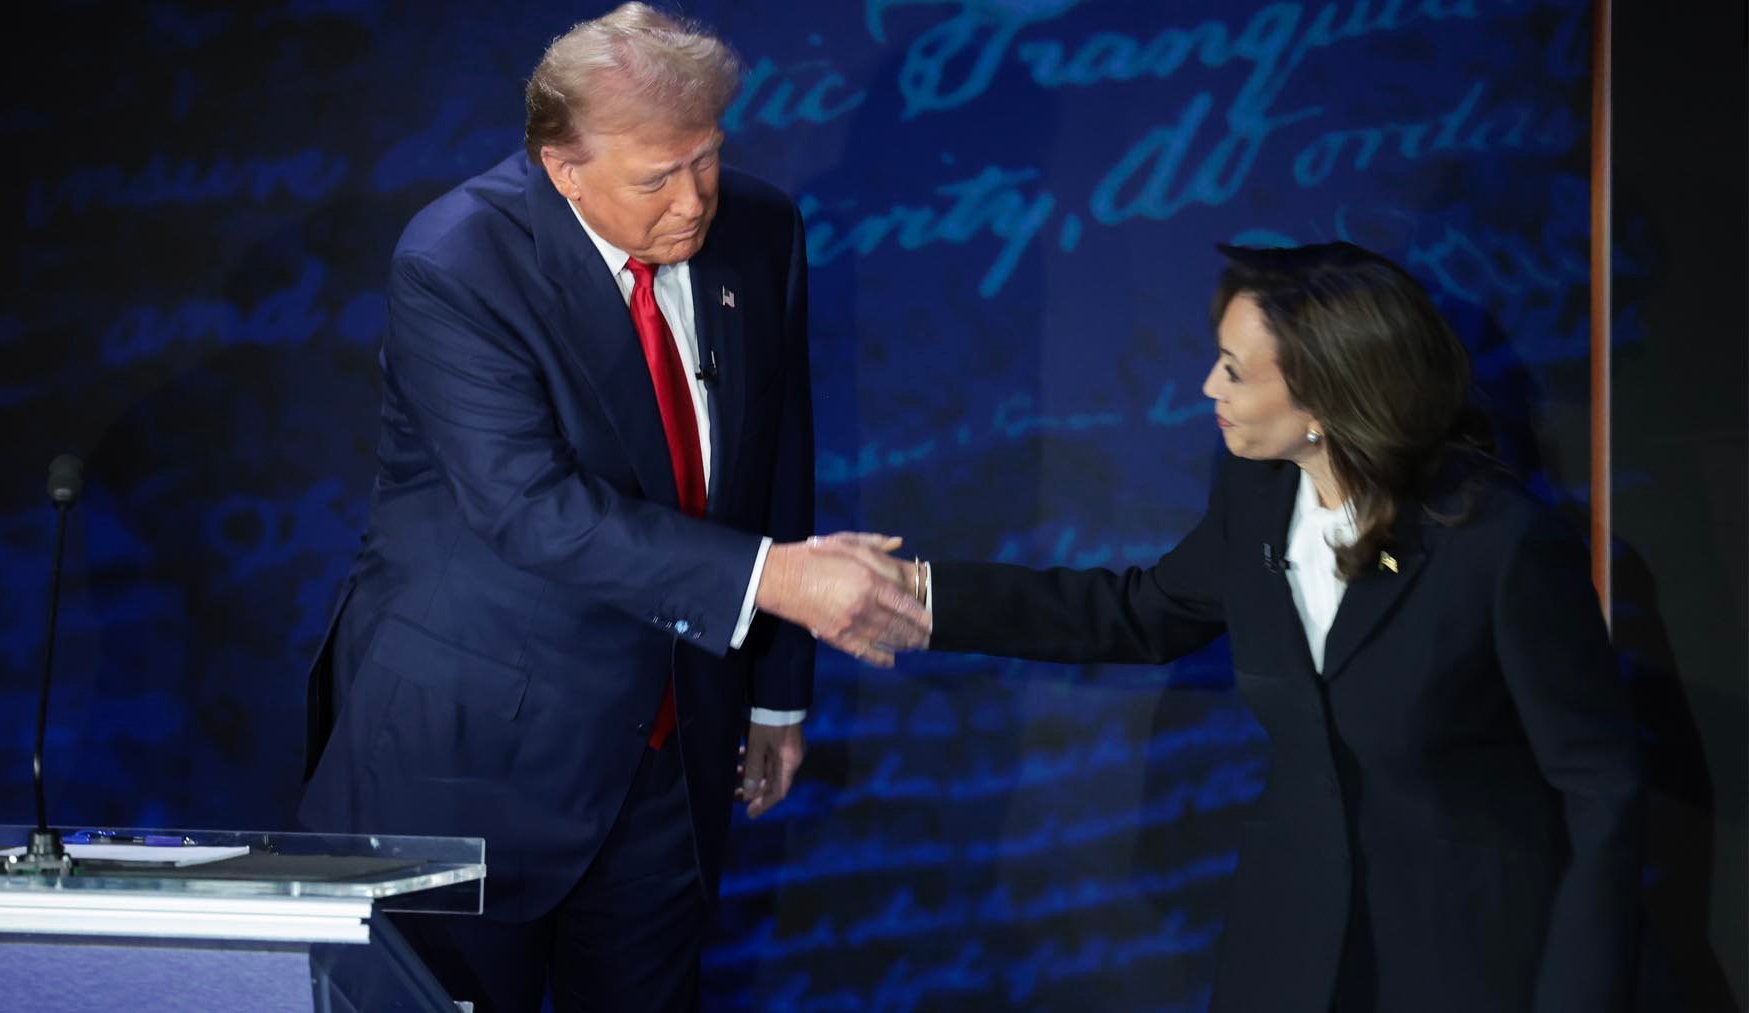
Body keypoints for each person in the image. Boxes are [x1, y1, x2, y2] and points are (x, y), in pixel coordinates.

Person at [297, 5, 928, 1010]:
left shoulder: (760, 228)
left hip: (674, 752)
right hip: (475, 757)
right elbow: (529, 506)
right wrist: (777, 579)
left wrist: (772, 690)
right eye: (655, 178)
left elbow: (774, 450)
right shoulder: (458, 261)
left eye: (707, 160)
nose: (694, 202)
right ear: (563, 168)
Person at [834, 242, 1645, 1011]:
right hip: (1288, 952)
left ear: (1328, 395)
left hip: (1464, 958)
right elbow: (1134, 614)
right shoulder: (1255, 493)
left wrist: (1576, 995)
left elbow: (1600, 787)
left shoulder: (1498, 544)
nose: (1206, 389)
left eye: (1233, 370)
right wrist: (917, 593)